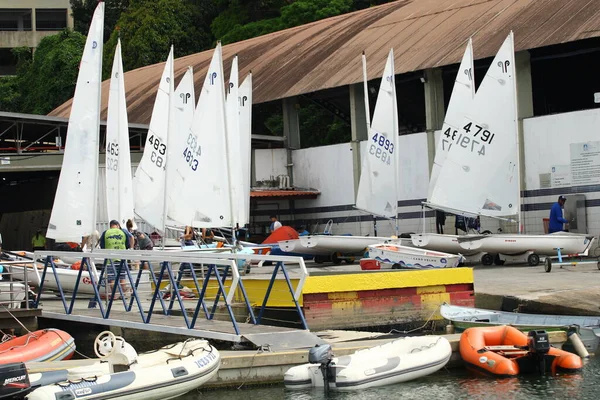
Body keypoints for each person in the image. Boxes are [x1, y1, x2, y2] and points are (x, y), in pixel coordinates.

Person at [99, 220, 129, 298]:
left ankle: (114, 295)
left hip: (110, 259)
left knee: (112, 278)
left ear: (110, 226)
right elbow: (127, 244)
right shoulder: (123, 232)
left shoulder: (106, 232)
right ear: (118, 225)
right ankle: (123, 294)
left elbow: (102, 246)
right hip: (122, 258)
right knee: (122, 277)